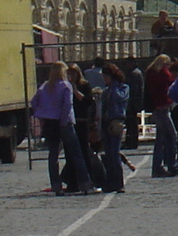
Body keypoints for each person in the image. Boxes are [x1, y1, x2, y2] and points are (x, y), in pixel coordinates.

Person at [29, 62, 92, 196]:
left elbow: (34, 102)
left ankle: (56, 186)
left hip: (50, 123)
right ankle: (85, 184)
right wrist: (63, 120)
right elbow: (67, 105)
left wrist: (42, 113)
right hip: (65, 123)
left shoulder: (45, 86)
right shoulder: (66, 86)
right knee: (76, 154)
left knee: (53, 156)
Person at [144, 54, 178, 178]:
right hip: (162, 109)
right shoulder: (160, 74)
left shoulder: (151, 74)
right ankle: (171, 164)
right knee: (172, 136)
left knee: (161, 138)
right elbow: (171, 80)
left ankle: (158, 166)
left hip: (157, 108)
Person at [99, 63, 130, 194]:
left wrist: (114, 86)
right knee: (108, 154)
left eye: (106, 76)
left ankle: (119, 182)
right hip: (106, 122)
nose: (104, 79)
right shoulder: (105, 91)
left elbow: (121, 98)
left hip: (117, 121)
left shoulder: (123, 87)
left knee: (115, 152)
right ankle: (110, 182)